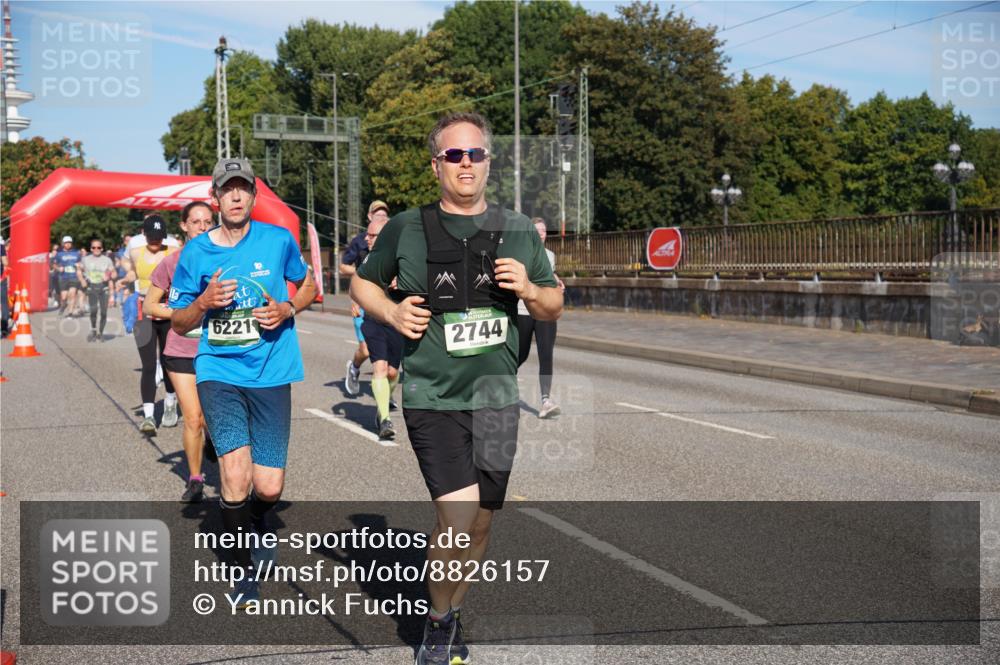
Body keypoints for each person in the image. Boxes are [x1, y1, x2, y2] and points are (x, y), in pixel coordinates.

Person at [351, 112, 562, 665]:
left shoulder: (517, 228)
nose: (465, 163)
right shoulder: (406, 227)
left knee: (482, 525)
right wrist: (392, 312)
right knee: (460, 519)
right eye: (453, 155)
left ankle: (451, 610)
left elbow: (553, 304)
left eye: (475, 154)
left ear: (489, 162)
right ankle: (439, 621)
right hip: (433, 398)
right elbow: (362, 283)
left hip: (496, 400)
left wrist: (530, 290)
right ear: (436, 165)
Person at [170, 157, 316, 607]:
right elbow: (178, 321)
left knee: (269, 486)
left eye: (243, 188)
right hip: (219, 371)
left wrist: (288, 308)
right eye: (227, 189)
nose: (235, 196)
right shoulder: (196, 253)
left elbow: (308, 286)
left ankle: (256, 520)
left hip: (271, 371)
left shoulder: (278, 240)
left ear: (253, 195)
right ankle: (242, 571)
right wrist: (203, 303)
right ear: (215, 198)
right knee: (234, 476)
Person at [143, 201, 215, 502]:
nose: (202, 227)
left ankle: (213, 440)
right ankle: (195, 479)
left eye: (207, 221)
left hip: (218, 349)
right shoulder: (172, 263)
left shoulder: (226, 257)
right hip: (182, 349)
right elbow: (149, 305)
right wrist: (181, 313)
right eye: (196, 222)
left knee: (213, 417)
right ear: (184, 226)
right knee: (193, 417)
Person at [128, 214, 178, 434]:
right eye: (151, 236)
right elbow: (133, 272)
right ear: (143, 234)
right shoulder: (135, 252)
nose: (156, 241)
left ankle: (170, 403)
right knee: (148, 365)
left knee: (168, 363)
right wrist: (123, 279)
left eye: (159, 236)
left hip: (167, 313)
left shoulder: (174, 252)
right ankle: (149, 416)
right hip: (144, 313)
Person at [357, 214, 404, 440]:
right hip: (373, 319)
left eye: (372, 235)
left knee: (393, 372)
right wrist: (356, 299)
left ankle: (382, 405)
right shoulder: (367, 258)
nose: (367, 238)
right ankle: (385, 419)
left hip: (396, 319)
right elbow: (358, 283)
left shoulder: (403, 256)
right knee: (380, 368)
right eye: (367, 234)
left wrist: (402, 282)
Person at [516, 218, 566, 418]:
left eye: (543, 230)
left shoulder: (550, 255)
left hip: (545, 310)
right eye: (536, 230)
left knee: (546, 354)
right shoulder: (521, 253)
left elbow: (549, 274)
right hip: (523, 309)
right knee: (521, 353)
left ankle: (546, 401)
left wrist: (557, 282)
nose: (540, 233)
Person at [341, 201, 389, 395]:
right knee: (366, 349)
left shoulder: (394, 241)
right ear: (369, 217)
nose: (380, 217)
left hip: (384, 303)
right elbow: (343, 266)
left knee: (388, 359)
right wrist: (361, 274)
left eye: (384, 215)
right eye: (377, 214)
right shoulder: (360, 241)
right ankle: (354, 367)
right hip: (361, 301)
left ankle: (385, 393)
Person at [78, 237, 115, 342]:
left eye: (98, 247)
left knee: (103, 312)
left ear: (102, 248)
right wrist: (82, 280)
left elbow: (114, 273)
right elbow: (79, 270)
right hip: (92, 287)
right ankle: (94, 330)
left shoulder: (107, 260)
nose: (96, 249)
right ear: (91, 249)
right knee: (93, 311)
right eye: (94, 247)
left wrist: (108, 275)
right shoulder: (85, 259)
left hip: (104, 288)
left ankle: (101, 334)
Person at [52, 236, 84, 317]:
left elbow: (81, 263)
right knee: (64, 297)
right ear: (63, 244)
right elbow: (54, 264)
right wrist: (58, 268)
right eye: (66, 243)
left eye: (69, 242)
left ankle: (70, 313)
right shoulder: (59, 254)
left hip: (74, 277)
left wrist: (79, 265)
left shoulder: (76, 253)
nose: (68, 244)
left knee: (72, 294)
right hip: (63, 277)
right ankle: (64, 304)